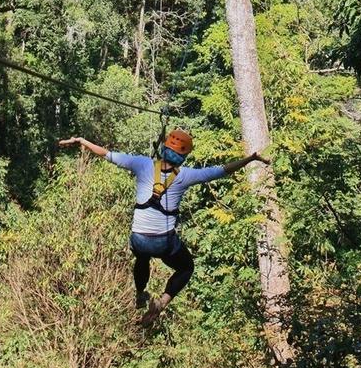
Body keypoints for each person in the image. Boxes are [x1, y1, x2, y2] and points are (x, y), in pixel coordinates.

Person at [58, 129, 269, 325]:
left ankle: (140, 292)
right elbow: (221, 170)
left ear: (164, 148)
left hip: (139, 238)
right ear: (183, 156)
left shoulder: (141, 164)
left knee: (142, 256)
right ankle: (162, 302)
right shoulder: (186, 175)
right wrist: (250, 159)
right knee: (186, 267)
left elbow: (107, 154)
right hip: (163, 242)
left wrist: (81, 141)